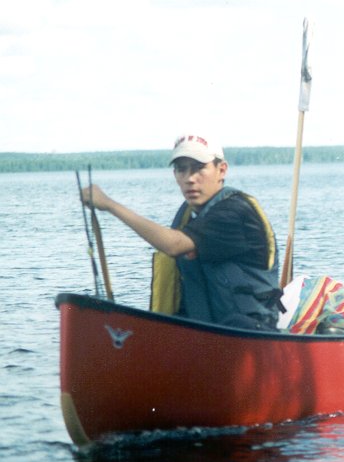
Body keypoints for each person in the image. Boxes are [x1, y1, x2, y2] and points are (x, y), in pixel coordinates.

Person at [81, 134, 282, 330]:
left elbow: (173, 245)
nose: (189, 179)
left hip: (249, 331)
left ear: (222, 170)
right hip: (206, 332)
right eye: (181, 170)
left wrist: (108, 205)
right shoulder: (188, 215)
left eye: (199, 168)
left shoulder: (234, 213)